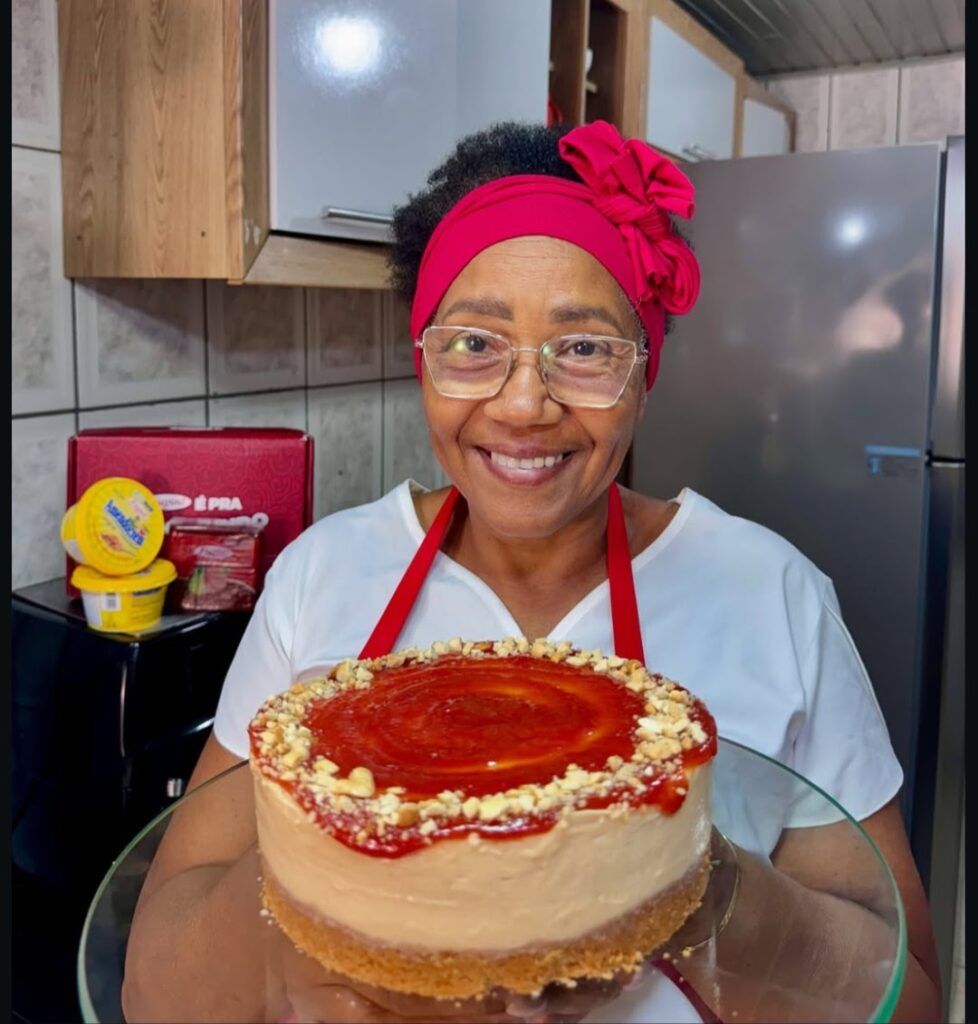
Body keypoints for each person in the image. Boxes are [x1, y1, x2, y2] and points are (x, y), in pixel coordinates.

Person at [121, 121, 941, 1024]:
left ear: (644, 373)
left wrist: (695, 891)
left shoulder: (772, 593)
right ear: (423, 356)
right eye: (474, 342)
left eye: (585, 349)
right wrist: (333, 881)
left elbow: (909, 999)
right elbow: (158, 990)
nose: (522, 404)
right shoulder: (322, 573)